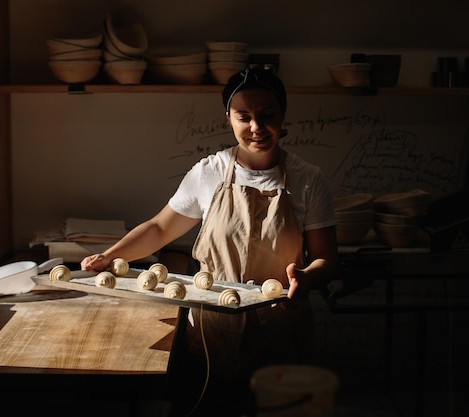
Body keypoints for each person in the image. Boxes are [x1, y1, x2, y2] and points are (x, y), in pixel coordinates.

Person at [81, 67, 339, 416]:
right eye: (244, 117)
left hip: (280, 334)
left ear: (283, 114)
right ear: (229, 119)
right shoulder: (209, 173)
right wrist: (110, 256)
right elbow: (160, 228)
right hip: (211, 334)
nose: (256, 127)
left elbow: (327, 257)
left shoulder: (309, 180)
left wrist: (308, 277)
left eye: (267, 115)